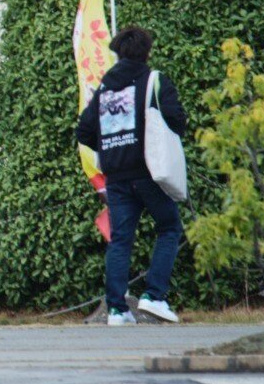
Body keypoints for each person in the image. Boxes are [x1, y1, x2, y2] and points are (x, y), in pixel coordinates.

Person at [75, 26, 187, 326]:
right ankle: (154, 296)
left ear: (118, 52)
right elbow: (177, 120)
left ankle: (117, 310)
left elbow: (83, 131)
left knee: (121, 240)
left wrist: (111, 148)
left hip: (116, 176)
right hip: (149, 171)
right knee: (169, 227)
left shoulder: (104, 90)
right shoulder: (154, 81)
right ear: (146, 52)